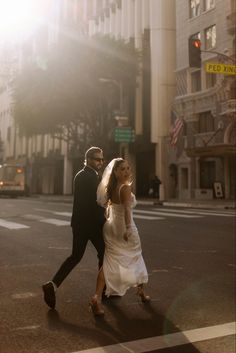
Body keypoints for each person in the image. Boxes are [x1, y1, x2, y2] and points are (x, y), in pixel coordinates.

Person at [42, 146, 105, 309]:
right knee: (105, 253)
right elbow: (95, 202)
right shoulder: (90, 177)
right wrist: (104, 219)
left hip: (79, 224)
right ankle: (103, 290)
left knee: (76, 256)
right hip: (91, 224)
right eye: (97, 159)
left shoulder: (82, 174)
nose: (100, 162)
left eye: (101, 159)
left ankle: (53, 284)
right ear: (89, 159)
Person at [90, 158, 150, 316]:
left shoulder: (112, 186)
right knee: (136, 257)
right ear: (115, 172)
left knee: (109, 261)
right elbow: (127, 211)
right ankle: (141, 292)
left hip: (111, 227)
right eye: (122, 169)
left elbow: (108, 207)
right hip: (123, 227)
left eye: (128, 168)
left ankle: (97, 296)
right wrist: (129, 229)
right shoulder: (125, 188)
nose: (126, 171)